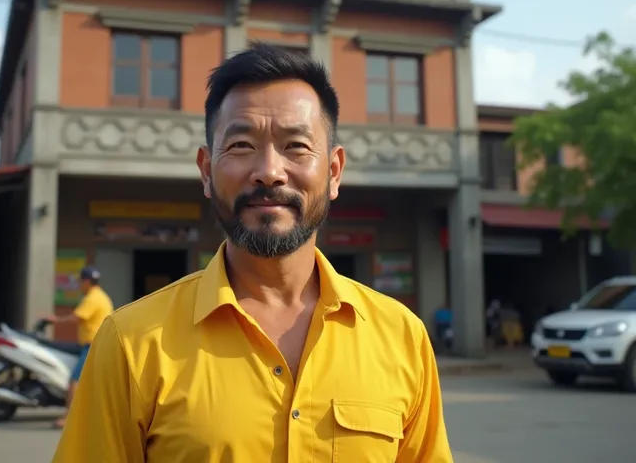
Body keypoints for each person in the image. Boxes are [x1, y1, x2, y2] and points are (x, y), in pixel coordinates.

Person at [53, 44, 452, 462]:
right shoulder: (130, 344)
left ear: (333, 172)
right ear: (206, 170)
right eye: (241, 145)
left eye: (296, 145)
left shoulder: (402, 337)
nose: (269, 171)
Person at [45, 266, 113, 429]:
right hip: (94, 344)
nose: (79, 285)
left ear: (86, 282)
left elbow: (77, 317)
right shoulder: (100, 296)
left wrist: (55, 320)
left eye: (80, 282)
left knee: (74, 381)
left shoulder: (93, 298)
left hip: (92, 346)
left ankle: (68, 418)